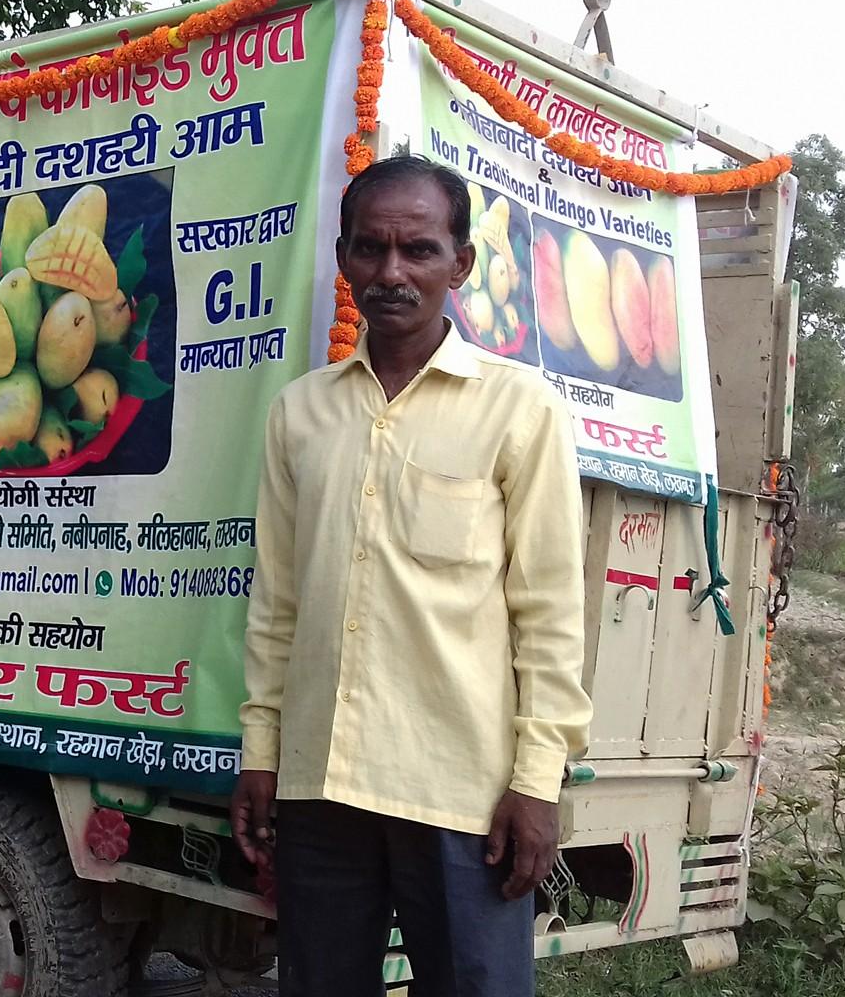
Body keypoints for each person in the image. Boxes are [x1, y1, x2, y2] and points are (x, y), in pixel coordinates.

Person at [229, 155, 592, 997]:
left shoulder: (519, 408)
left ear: (460, 264)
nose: (392, 273)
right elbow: (278, 604)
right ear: (345, 256)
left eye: (419, 251)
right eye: (371, 249)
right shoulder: (302, 414)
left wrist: (538, 784)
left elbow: (549, 613)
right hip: (322, 786)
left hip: (464, 798)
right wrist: (261, 752)